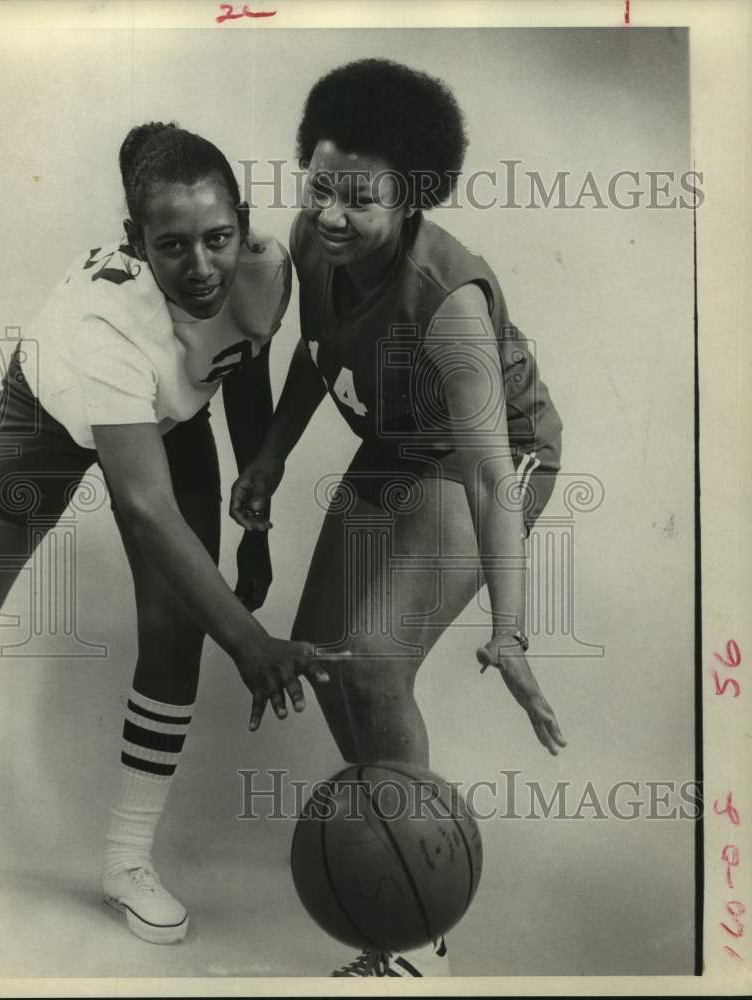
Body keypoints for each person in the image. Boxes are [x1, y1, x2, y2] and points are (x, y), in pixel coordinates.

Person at [230, 59, 568, 976]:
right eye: (320, 185)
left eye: (359, 198)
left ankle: (420, 930)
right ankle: (398, 860)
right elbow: (316, 352)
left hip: (481, 464)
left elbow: (496, 475)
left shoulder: (449, 304)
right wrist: (268, 455)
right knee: (326, 660)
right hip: (397, 442)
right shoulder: (313, 239)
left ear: (412, 197)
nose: (331, 213)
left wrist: (511, 631)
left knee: (375, 663)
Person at [0, 122, 329, 945]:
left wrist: (256, 517)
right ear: (136, 243)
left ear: (243, 223)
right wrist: (251, 642)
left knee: (176, 628)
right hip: (49, 418)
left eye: (218, 238)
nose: (202, 266)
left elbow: (242, 371)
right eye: (173, 247)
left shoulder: (265, 268)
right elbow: (144, 505)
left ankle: (126, 861)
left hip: (170, 420)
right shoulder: (107, 323)